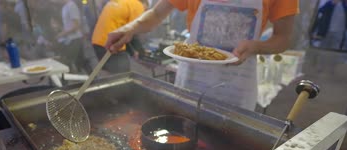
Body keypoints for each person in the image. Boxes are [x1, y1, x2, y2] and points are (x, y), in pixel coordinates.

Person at [106, 0, 298, 111]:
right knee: (184, 136)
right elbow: (156, 13)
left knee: (228, 149)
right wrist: (129, 28)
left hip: (238, 80)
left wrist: (256, 46)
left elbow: (284, 37)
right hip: (193, 77)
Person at [92, 0, 145, 73]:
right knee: (123, 76)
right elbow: (133, 32)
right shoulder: (137, 5)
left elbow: (124, 33)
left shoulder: (123, 2)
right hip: (109, 44)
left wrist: (132, 52)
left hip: (97, 42)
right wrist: (141, 52)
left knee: (115, 75)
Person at [55, 0, 85, 72]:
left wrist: (62, 34)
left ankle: (93, 79)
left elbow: (76, 25)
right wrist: (60, 29)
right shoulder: (64, 7)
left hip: (75, 39)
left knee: (73, 62)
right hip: (70, 40)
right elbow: (68, 26)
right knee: (74, 63)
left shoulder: (71, 5)